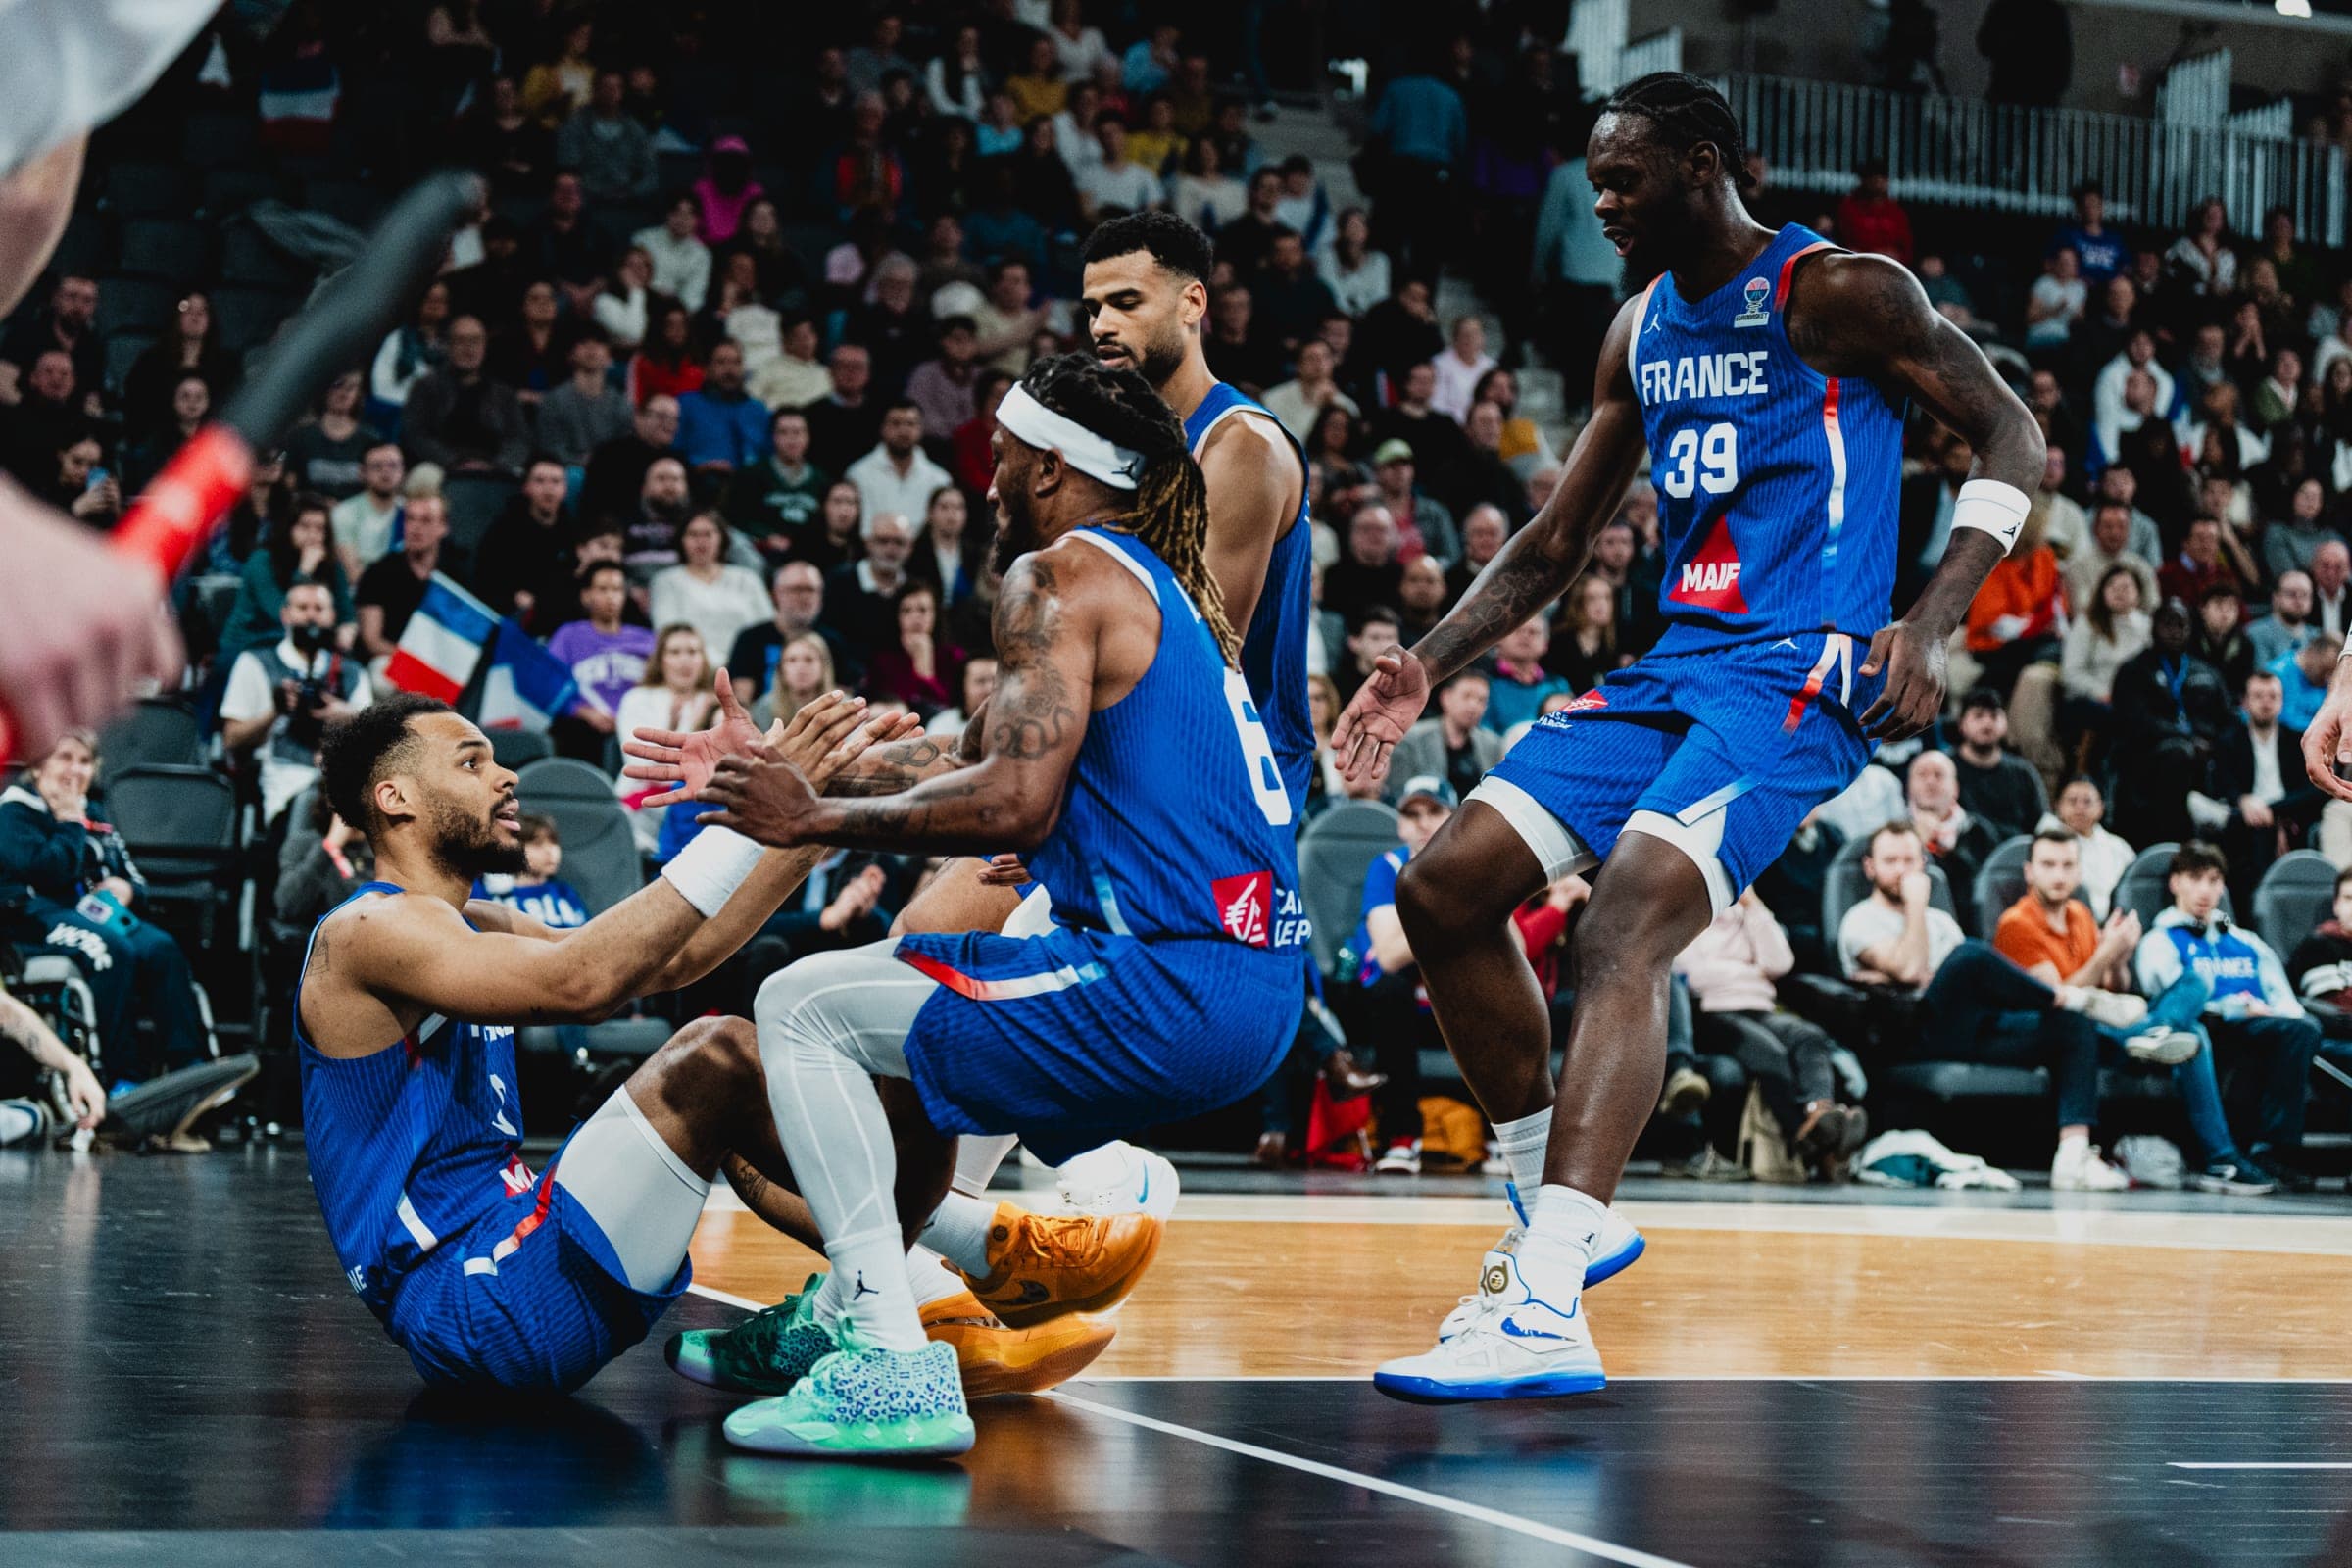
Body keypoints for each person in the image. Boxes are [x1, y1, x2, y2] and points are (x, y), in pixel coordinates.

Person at [1331, 74, 2041, 1402]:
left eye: (1624, 181)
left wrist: (1936, 619)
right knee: (1443, 888)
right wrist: (1422, 668)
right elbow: (1553, 546)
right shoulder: (1637, 328)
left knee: (1622, 927)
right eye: (1595, 180)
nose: (1599, 205)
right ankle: (1565, 1210)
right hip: (1679, 665)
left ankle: (1541, 1306)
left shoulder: (1838, 294)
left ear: (1703, 167)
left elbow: (2014, 428)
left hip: (1802, 676)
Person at [629, 354, 1309, 1458]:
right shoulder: (1154, 587)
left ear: (1049, 467)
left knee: (804, 1006)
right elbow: (995, 758)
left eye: (998, 461)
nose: (985, 486)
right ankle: (881, 1302)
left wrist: (809, 820)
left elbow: (1013, 800)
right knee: (885, 1006)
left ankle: (891, 1361)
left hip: (1167, 978)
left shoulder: (1054, 577)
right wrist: (811, 772)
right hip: (1242, 983)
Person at [296, 684, 1113, 1397]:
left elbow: (680, 954)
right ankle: (949, 1271)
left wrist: (807, 814)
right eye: (471, 763)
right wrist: (767, 808)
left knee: (815, 1089)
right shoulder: (369, 929)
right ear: (394, 798)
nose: (507, 775)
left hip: (530, 1259)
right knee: (716, 1056)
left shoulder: (467, 921)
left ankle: (920, 1281)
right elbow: (584, 981)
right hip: (474, 1297)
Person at [1842, 822, 2134, 1180]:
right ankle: (2067, 996)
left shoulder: (1941, 922)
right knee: (1970, 955)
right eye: (1891, 861)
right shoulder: (1860, 920)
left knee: (2072, 1024)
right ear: (1870, 867)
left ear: (1923, 864)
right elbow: (1911, 968)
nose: (1903, 870)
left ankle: (2074, 1154)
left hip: (1969, 1027)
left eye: (1910, 860)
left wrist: (1919, 972)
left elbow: (1952, 980)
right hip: (1909, 1033)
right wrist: (1916, 906)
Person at [1992, 828, 2272, 1192]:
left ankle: (2158, 1032)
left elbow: (2113, 987)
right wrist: (2106, 953)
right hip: (2066, 1032)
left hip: (2111, 1022)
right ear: (2030, 872)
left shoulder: (2079, 913)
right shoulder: (2018, 923)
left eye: (2067, 865)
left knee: (2195, 984)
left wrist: (2120, 957)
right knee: (2194, 1036)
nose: (2059, 875)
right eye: (2048, 865)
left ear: (2079, 872)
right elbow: (2056, 998)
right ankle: (2221, 1158)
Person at [0, 730, 211, 1086]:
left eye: (84, 761)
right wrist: (69, 822)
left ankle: (189, 1068)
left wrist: (128, 890)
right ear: (38, 766)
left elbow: (133, 876)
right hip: (31, 917)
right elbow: (49, 871)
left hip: (90, 913)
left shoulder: (94, 812)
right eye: (64, 758)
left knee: (161, 949)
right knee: (108, 951)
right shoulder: (15, 812)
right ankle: (118, 1080)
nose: (75, 770)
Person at [2134, 841, 2324, 1189]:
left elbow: (2284, 999)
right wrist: (2236, 1006)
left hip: (2257, 1027)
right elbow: (2172, 997)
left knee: (2304, 1031)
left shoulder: (2244, 941)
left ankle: (2272, 1152)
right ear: (2176, 883)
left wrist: (2283, 1018)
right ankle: (2251, 1153)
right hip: (2207, 1027)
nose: (2205, 890)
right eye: (2195, 878)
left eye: (2213, 880)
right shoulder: (2160, 940)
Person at [1674, 886, 1864, 1179]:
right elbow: (1688, 973)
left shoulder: (1746, 911)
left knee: (1808, 1035)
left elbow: (1779, 963)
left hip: (1760, 1006)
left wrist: (1752, 905)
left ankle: (1820, 1112)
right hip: (1711, 1011)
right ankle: (1807, 1137)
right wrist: (1746, 971)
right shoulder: (1685, 911)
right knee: (1769, 1051)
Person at [1337, 775, 1456, 1175]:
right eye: (1412, 814)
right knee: (1391, 990)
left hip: (1448, 994)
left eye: (1434, 812)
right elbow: (1388, 956)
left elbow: (1516, 949)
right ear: (1400, 824)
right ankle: (1402, 1136)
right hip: (1390, 998)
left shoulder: (1474, 869)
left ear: (1456, 819)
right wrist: (1456, 913)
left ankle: (1512, 1141)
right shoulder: (1387, 867)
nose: (1422, 823)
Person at [220, 580, 372, 826]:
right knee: (307, 806)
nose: (311, 616)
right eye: (302, 607)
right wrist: (275, 711)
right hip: (285, 779)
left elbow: (374, 741)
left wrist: (349, 716)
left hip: (339, 782)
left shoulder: (351, 671)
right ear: (285, 615)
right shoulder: (256, 663)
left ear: (332, 616)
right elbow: (231, 738)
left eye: (319, 608)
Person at [222, 495, 356, 656]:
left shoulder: (331, 563)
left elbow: (346, 612)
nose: (312, 535)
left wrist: (347, 629)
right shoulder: (261, 561)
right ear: (288, 528)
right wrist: (304, 571)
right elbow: (280, 614)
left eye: (320, 528)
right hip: (253, 643)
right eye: (304, 527)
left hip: (309, 644)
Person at [403, 316, 529, 477]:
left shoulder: (504, 394)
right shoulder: (425, 388)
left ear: (485, 346)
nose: (469, 348)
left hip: (494, 472)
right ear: (447, 345)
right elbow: (416, 436)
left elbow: (519, 440)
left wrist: (495, 466)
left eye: (475, 341)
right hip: (441, 470)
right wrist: (455, 463)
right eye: (460, 341)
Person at [354, 493, 459, 671]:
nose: (416, 528)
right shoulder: (378, 572)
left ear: (443, 527)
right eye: (410, 519)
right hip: (392, 660)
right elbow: (372, 640)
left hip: (443, 666)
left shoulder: (457, 575)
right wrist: (416, 665)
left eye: (426, 521)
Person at [650, 512, 770, 664]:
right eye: (693, 534)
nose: (701, 541)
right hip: (690, 668)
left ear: (722, 538)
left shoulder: (747, 579)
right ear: (681, 540)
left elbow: (766, 628)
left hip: (748, 668)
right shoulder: (665, 581)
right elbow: (667, 632)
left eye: (708, 534)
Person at [472, 459, 574, 622]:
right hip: (508, 616)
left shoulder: (572, 533)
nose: (548, 489)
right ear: (527, 487)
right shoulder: (503, 530)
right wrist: (512, 596)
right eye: (540, 481)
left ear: (565, 490)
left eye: (555, 481)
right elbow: (486, 579)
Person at [1384, 670, 1503, 808]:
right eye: (1466, 696)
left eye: (1481, 700)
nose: (1473, 705)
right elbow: (1398, 792)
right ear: (1445, 698)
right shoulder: (1413, 739)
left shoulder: (1492, 744)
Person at [1948, 687, 2045, 840]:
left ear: (2005, 723)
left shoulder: (2023, 773)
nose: (1987, 723)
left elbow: (2041, 824)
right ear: (1961, 724)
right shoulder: (1945, 769)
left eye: (1994, 716)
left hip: (2014, 857)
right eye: (1978, 716)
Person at [471, 812, 590, 930]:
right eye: (538, 844)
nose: (551, 851)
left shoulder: (564, 892)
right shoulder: (487, 892)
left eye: (554, 843)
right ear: (514, 847)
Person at [845, 401, 954, 528]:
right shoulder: (858, 474)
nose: (903, 431)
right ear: (883, 428)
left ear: (921, 429)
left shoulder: (939, 479)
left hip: (924, 548)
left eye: (910, 424)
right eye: (896, 424)